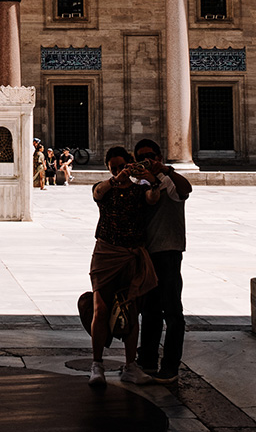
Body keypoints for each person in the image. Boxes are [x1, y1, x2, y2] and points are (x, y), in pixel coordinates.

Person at [87, 146, 160, 389]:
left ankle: (130, 366)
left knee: (130, 310)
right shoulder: (105, 188)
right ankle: (97, 365)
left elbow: (153, 199)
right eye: (113, 167)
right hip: (106, 254)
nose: (118, 170)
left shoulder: (140, 190)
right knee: (101, 308)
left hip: (132, 255)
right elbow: (98, 193)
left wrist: (152, 180)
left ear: (129, 164)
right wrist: (115, 180)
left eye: (122, 166)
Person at [133, 137, 192, 383]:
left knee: (173, 311)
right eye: (141, 157)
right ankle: (147, 360)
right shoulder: (137, 183)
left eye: (151, 156)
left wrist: (165, 170)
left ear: (159, 156)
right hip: (146, 255)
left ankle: (170, 365)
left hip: (168, 252)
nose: (146, 160)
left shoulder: (170, 180)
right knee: (149, 310)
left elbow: (185, 190)